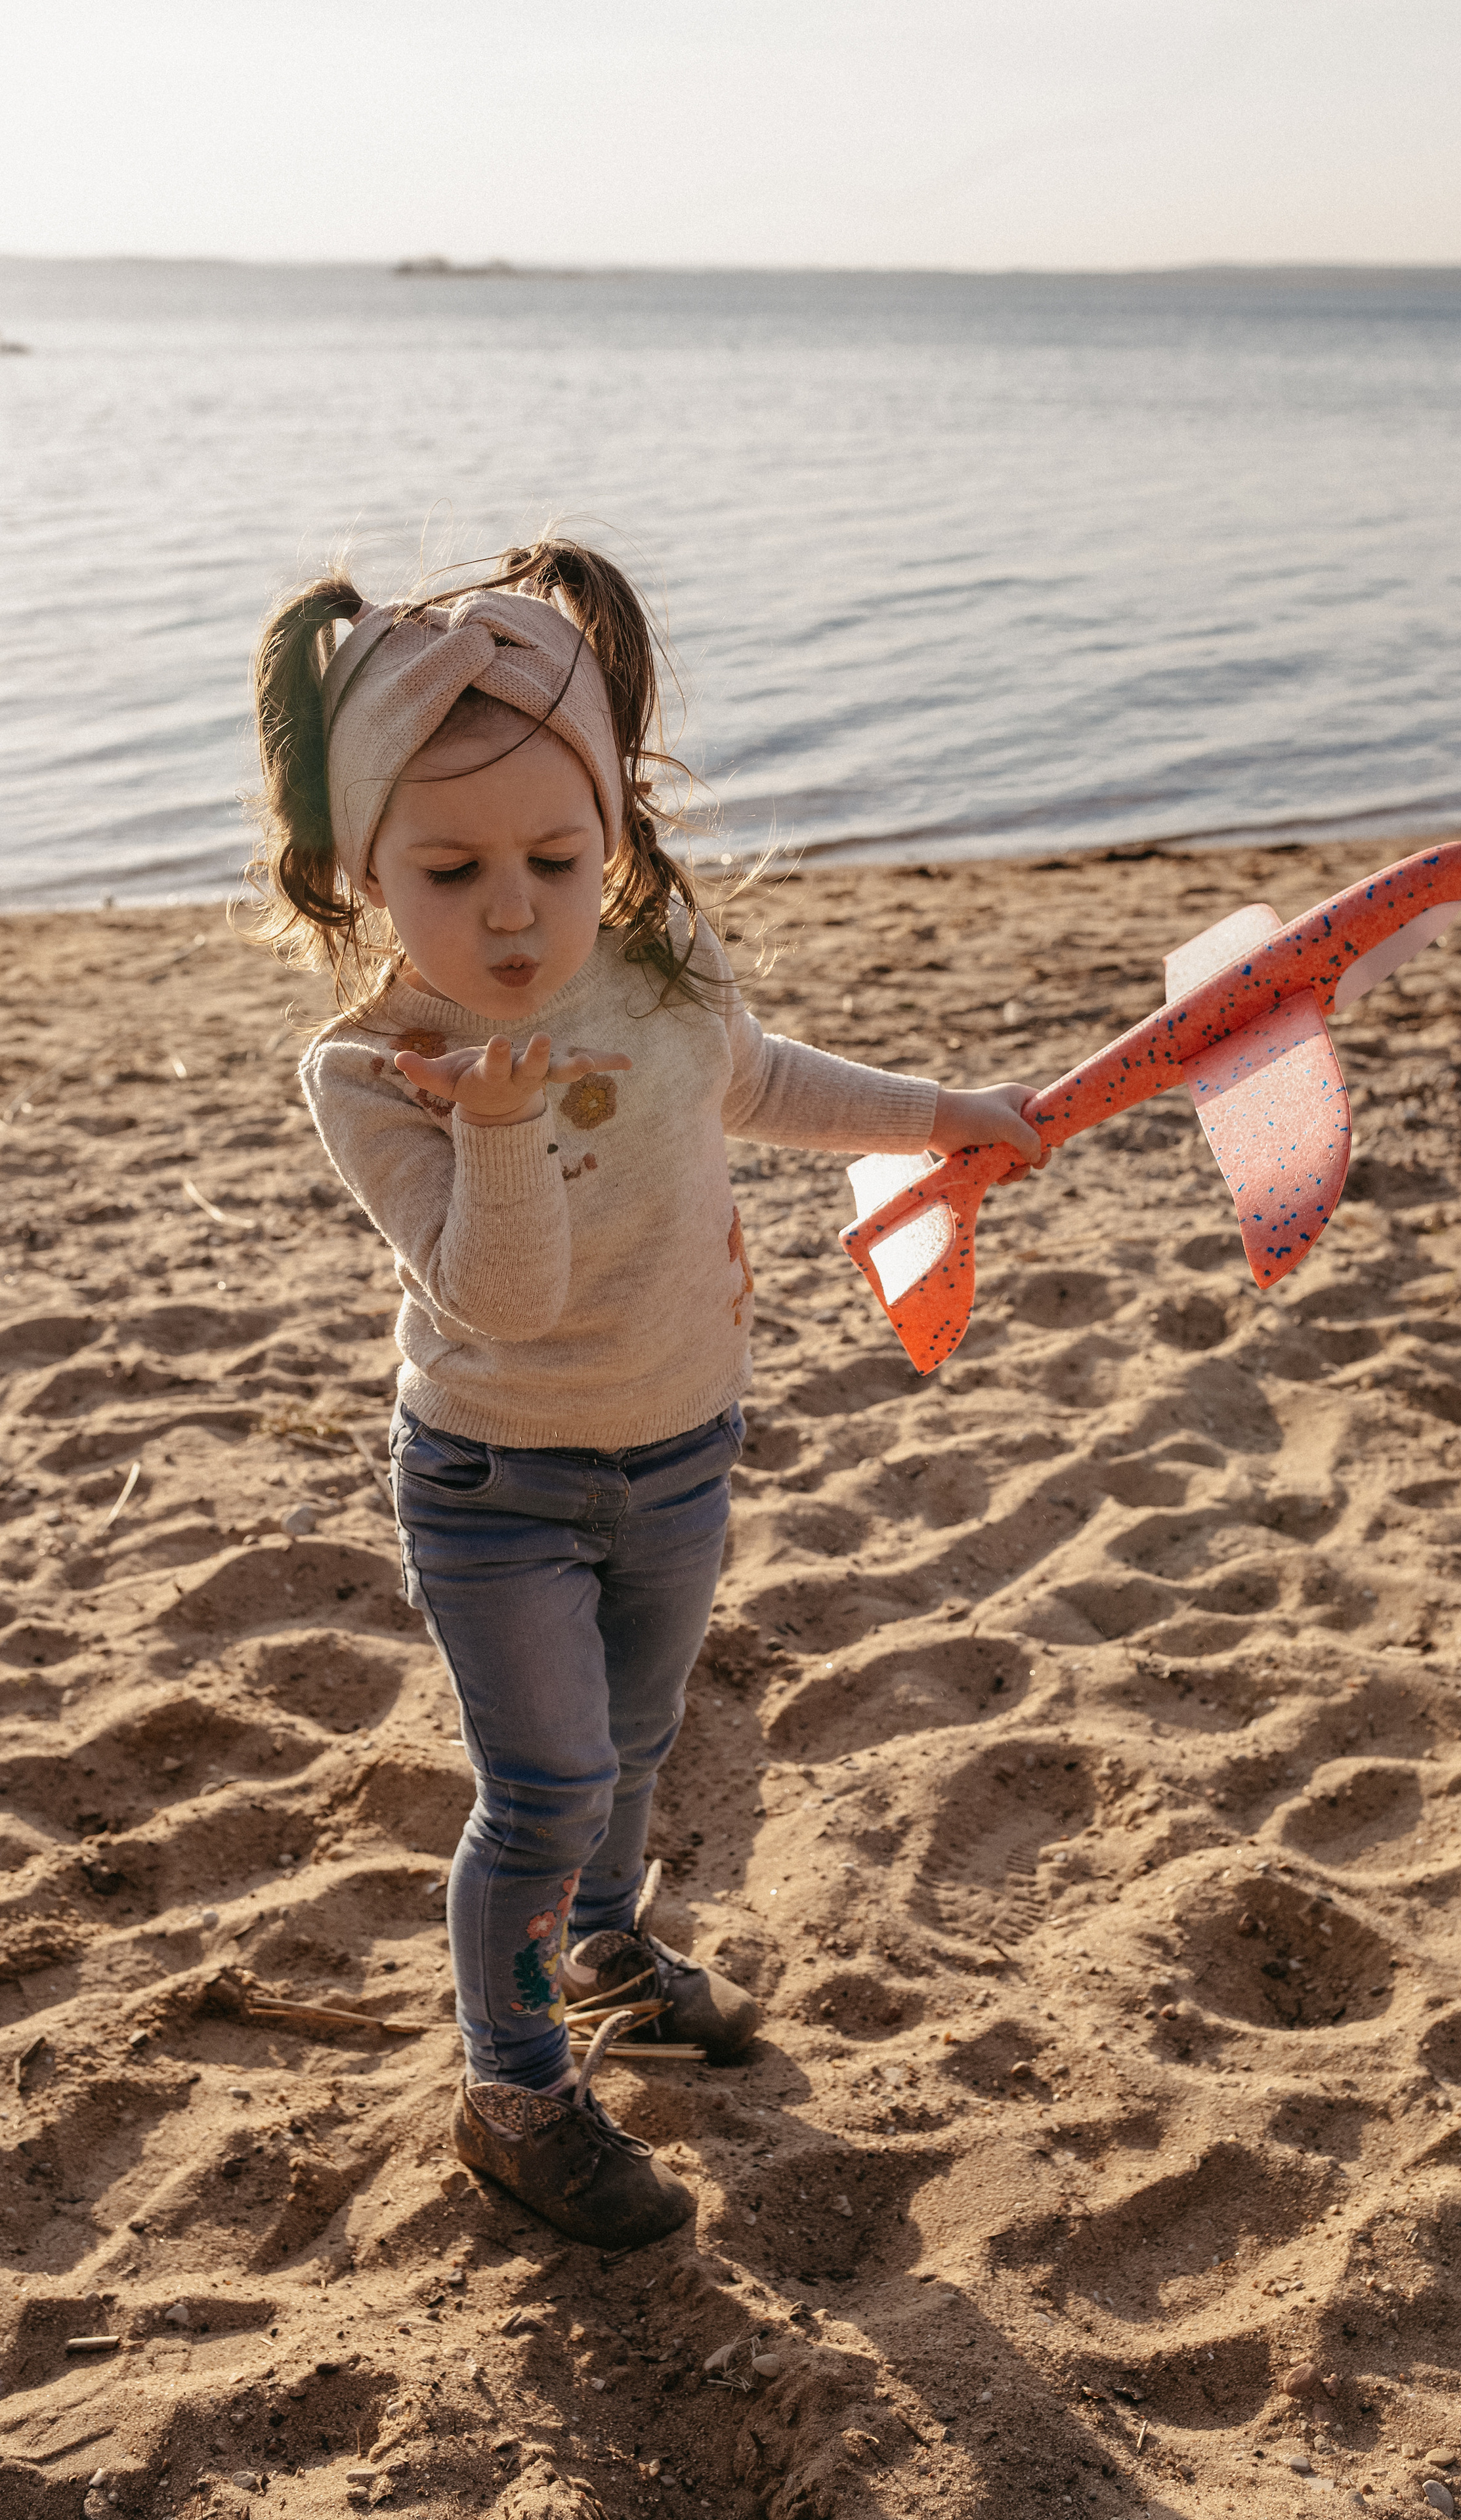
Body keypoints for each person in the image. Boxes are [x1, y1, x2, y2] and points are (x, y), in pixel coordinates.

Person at [246, 536, 1042, 2254]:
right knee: (536, 1786)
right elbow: (499, 1292)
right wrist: (501, 1119)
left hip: (685, 1440)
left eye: (559, 849)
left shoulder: (658, 948)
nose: (517, 907)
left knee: (635, 1743)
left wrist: (939, 1112)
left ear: (616, 825)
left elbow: (742, 1079)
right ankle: (516, 2091)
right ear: (365, 867)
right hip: (495, 1479)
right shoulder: (374, 1072)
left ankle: (605, 1941)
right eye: (452, 869)